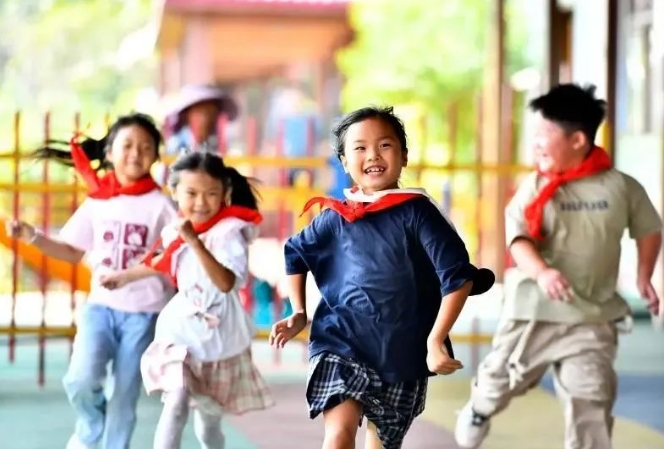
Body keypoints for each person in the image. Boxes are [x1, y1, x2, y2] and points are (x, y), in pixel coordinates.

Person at [269, 106, 495, 449]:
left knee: (380, 444)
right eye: (360, 148)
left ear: (404, 156)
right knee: (338, 434)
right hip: (340, 342)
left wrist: (435, 339)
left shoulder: (418, 212)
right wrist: (298, 312)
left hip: (403, 353)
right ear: (344, 162)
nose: (373, 155)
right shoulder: (337, 216)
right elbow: (295, 252)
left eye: (385, 145)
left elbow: (458, 276)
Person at [454, 84, 662, 449]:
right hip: (534, 313)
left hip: (591, 317)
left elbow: (648, 228)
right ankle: (479, 409)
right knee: (498, 381)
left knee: (592, 402)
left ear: (578, 140)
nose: (534, 144)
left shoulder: (621, 187)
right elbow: (519, 240)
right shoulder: (535, 187)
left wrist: (645, 275)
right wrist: (543, 272)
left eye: (543, 135)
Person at [6, 113, 177, 449]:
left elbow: (174, 256)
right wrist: (32, 236)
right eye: (127, 145)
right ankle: (89, 429)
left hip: (146, 313)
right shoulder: (98, 202)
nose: (136, 153)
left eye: (145, 147)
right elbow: (72, 250)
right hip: (100, 309)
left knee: (124, 394)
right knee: (80, 379)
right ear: (109, 152)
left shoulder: (162, 206)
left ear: (155, 156)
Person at [101, 152, 273, 449]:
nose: (201, 202)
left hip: (220, 338)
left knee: (208, 427)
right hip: (181, 330)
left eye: (211, 194)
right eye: (191, 193)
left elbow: (225, 283)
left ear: (225, 193)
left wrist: (194, 241)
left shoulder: (229, 233)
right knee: (176, 402)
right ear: (175, 192)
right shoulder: (175, 231)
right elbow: (162, 261)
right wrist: (125, 276)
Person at [163, 85, 238, 156]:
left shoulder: (217, 143)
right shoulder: (177, 144)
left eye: (211, 112)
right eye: (199, 112)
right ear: (187, 115)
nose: (205, 119)